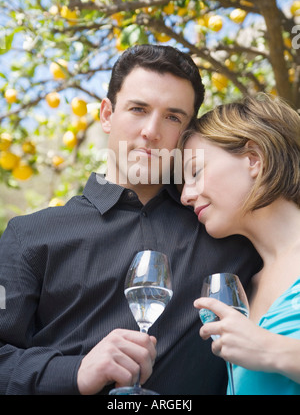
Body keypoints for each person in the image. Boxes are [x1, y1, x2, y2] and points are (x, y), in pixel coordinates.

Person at [0, 45, 261, 395]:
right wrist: (75, 371)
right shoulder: (28, 236)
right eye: (138, 109)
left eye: (172, 117)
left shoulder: (227, 232)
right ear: (107, 114)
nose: (151, 131)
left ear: (185, 135)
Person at [180, 93, 300, 395]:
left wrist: (273, 351)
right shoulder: (247, 286)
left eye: (195, 172)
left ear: (253, 159)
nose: (185, 196)